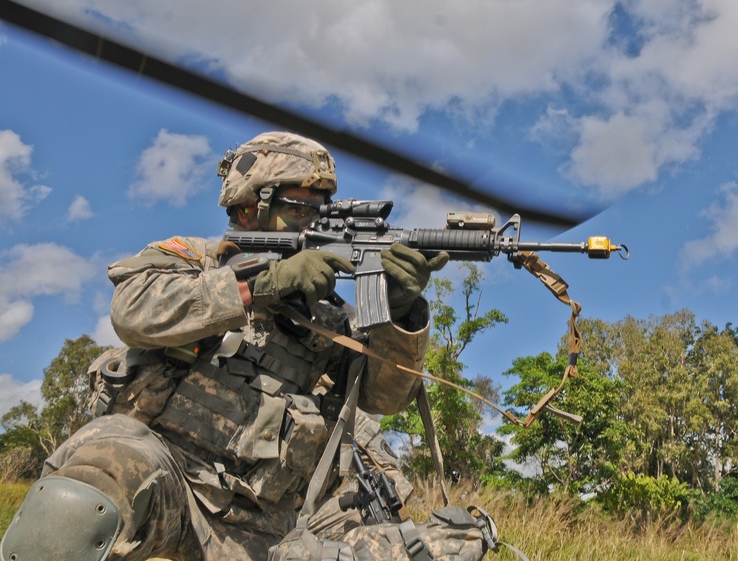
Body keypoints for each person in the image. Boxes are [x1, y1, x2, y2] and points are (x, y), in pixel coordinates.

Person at [0, 132, 494, 561]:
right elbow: (133, 312)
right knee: (83, 498)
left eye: (318, 211)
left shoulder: (330, 316)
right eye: (299, 208)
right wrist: (260, 287)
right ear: (248, 205)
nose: (311, 222)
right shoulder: (196, 258)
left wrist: (400, 314)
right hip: (166, 469)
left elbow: (384, 399)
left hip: (262, 522)